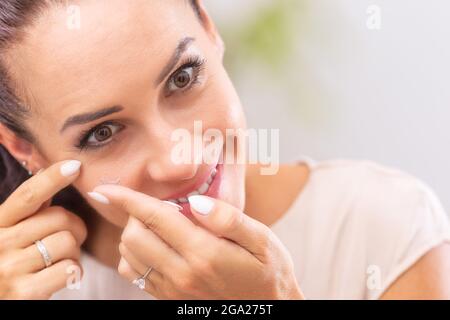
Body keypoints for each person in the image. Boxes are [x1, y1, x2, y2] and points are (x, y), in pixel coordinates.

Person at [0, 0, 448, 299]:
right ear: (24, 147)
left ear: (209, 29)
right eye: (103, 132)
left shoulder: (384, 228)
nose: (183, 159)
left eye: (182, 78)